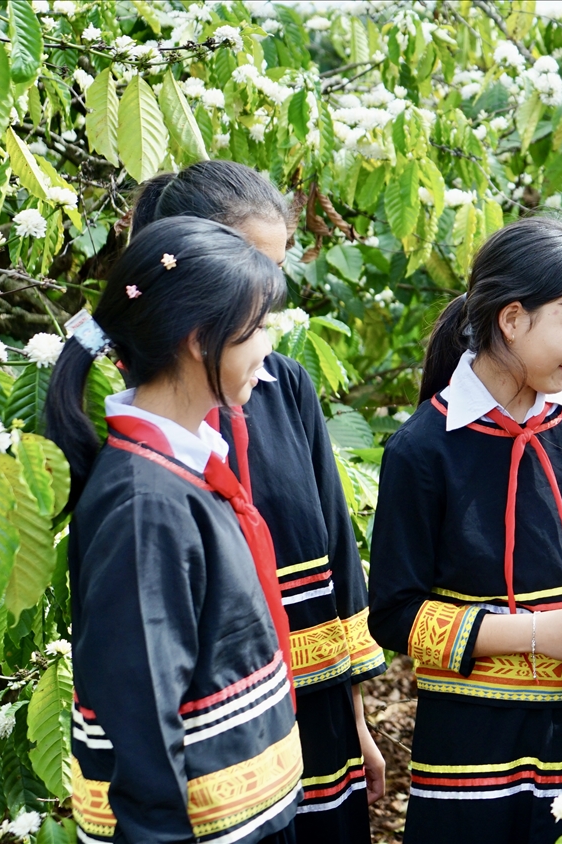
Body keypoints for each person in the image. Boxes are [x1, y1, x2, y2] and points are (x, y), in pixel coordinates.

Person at [367, 216, 562, 843]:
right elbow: (394, 615)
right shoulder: (423, 449)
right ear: (514, 319)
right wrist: (532, 634)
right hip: (474, 737)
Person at [132, 161, 386, 841]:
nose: (264, 293)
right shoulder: (125, 400)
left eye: (273, 273)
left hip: (314, 714)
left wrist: (357, 723)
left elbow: (335, 555)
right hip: (205, 724)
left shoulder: (285, 383)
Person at [46, 216, 300, 843]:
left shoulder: (183, 469)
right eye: (258, 329)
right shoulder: (145, 501)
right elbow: (138, 707)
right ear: (198, 338)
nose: (268, 348)